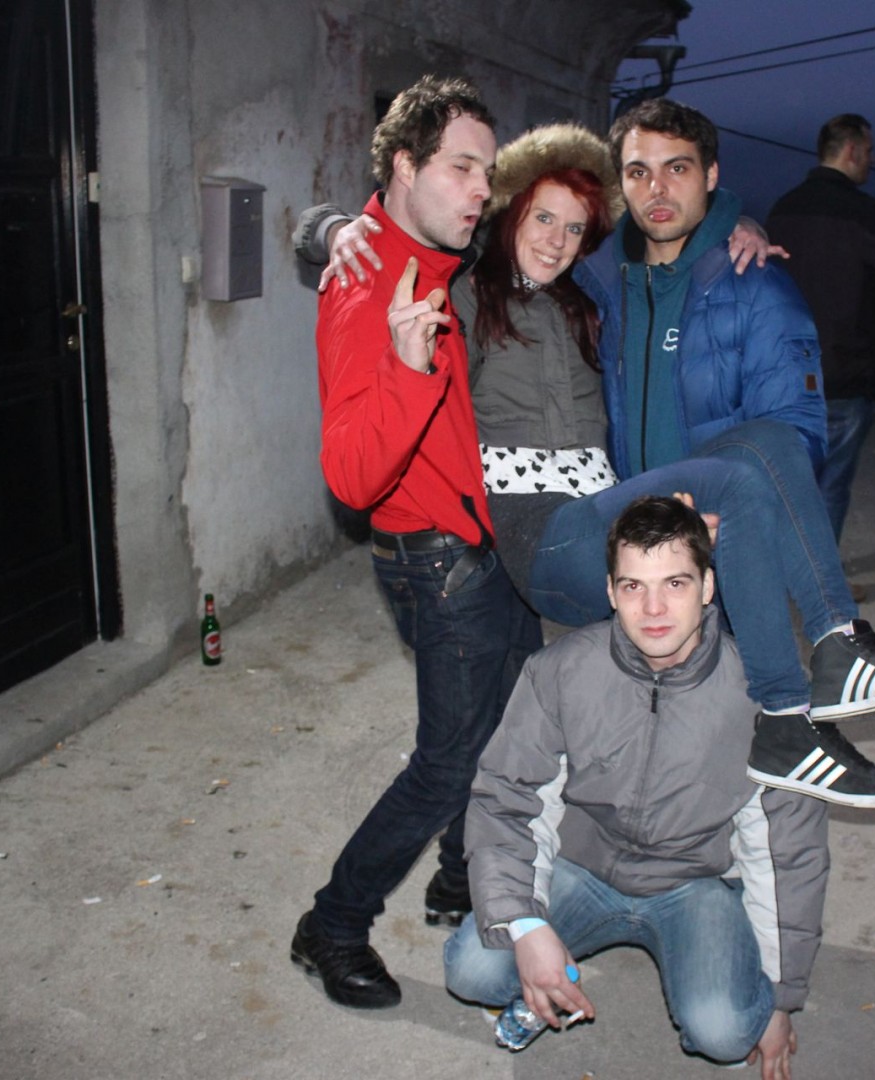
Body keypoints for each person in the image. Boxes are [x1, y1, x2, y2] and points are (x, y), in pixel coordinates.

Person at [308, 114, 875, 806]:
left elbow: (667, 246)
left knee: (768, 441)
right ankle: (784, 712)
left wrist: (738, 226)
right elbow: (397, 243)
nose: (556, 240)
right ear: (512, 210)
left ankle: (837, 641)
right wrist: (333, 227)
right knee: (734, 487)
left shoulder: (592, 295)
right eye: (542, 218)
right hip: (543, 535)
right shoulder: (466, 294)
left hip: (611, 509)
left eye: (574, 227)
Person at [289, 74, 544, 1011]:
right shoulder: (364, 284)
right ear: (404, 166)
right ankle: (333, 923)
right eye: (461, 168)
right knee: (445, 763)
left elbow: (563, 228)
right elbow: (352, 479)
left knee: (506, 727)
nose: (481, 190)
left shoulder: (436, 249)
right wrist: (405, 366)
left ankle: (458, 877)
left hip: (482, 541)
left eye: (487, 171)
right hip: (435, 561)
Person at [444, 495, 828, 1078]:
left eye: (675, 583)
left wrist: (778, 1000)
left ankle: (713, 971)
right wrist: (526, 926)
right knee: (472, 969)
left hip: (694, 883)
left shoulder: (763, 690)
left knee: (725, 1032)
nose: (653, 609)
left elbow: (788, 850)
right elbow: (507, 799)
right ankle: (548, 964)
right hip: (582, 868)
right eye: (632, 586)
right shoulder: (561, 670)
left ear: (707, 586)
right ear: (609, 591)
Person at [765, 114, 875, 544]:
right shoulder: (860, 212)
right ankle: (818, 576)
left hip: (784, 373)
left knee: (786, 485)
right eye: (870, 151)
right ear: (852, 150)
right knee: (831, 486)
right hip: (841, 371)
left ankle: (782, 570)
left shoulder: (784, 208)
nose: (873, 160)